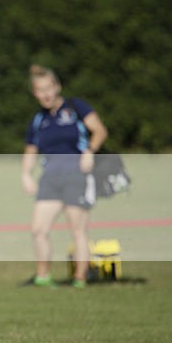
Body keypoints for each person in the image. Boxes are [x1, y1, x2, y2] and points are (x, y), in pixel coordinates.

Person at [21, 65, 108, 288]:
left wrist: (89, 152)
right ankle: (43, 277)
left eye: (49, 88)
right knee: (38, 230)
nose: (46, 94)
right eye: (41, 90)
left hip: (76, 176)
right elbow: (31, 149)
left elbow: (99, 131)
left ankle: (80, 279)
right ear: (35, 93)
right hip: (50, 178)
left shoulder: (75, 107)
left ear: (57, 87)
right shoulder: (38, 120)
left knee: (77, 229)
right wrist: (26, 174)